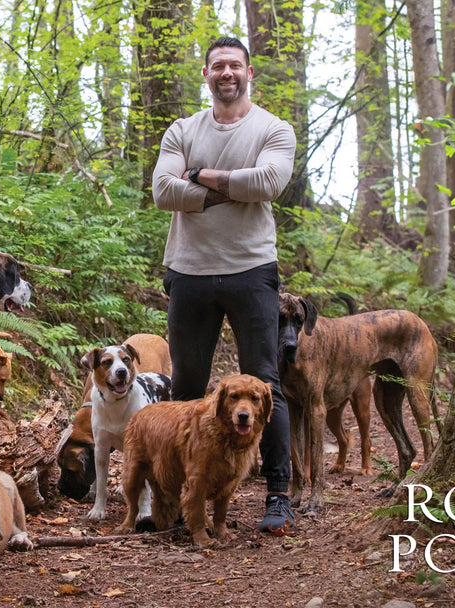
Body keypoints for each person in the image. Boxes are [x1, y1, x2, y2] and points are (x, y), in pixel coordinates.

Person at [152, 36, 297, 532]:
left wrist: (203, 176)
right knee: (187, 387)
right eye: (218, 66)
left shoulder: (273, 129)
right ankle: (172, 499)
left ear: (249, 72)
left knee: (265, 381)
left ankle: (278, 493)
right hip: (189, 270)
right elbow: (162, 190)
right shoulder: (182, 129)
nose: (227, 73)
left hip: (252, 269)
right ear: (207, 73)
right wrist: (231, 190)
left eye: (235, 65)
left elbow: (270, 184)